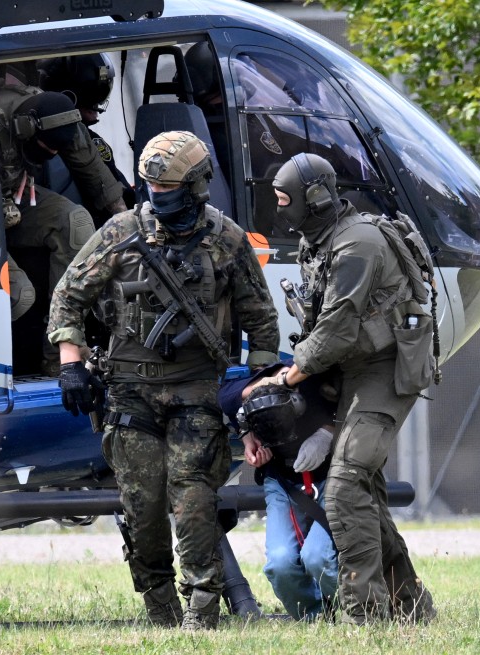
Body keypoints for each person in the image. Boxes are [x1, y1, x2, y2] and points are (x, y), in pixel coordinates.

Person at [47, 130, 279, 629]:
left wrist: (259, 400)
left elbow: (261, 321)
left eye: (170, 191)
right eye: (152, 190)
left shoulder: (227, 240)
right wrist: (71, 362)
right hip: (131, 391)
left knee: (195, 502)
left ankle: (202, 613)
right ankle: (159, 609)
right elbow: (68, 297)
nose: (159, 200)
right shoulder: (120, 233)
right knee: (143, 508)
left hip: (197, 391)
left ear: (196, 187)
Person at [261, 152, 436, 625]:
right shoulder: (316, 242)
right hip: (349, 372)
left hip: (385, 371)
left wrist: (288, 376)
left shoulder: (357, 244)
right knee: (367, 496)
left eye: (285, 200)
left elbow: (336, 331)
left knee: (342, 488)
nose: (280, 209)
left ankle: (366, 617)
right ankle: (411, 606)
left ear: (313, 198)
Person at [0, 78, 128, 340]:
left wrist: (125, 217)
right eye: (46, 148)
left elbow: (92, 168)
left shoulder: (57, 118)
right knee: (19, 295)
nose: (51, 154)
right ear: (26, 129)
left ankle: (60, 352)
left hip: (15, 198)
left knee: (75, 220)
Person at [218, 365, 339, 620]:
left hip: (333, 476)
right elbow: (225, 397)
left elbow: (353, 408)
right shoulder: (248, 390)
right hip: (283, 480)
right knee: (280, 564)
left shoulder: (318, 379)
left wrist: (327, 434)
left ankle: (355, 609)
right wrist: (247, 434)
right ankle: (314, 617)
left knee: (318, 557)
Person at [38, 54, 136, 216]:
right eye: (91, 94)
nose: (96, 103)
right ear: (66, 96)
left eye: (102, 93)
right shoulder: (85, 141)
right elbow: (125, 200)